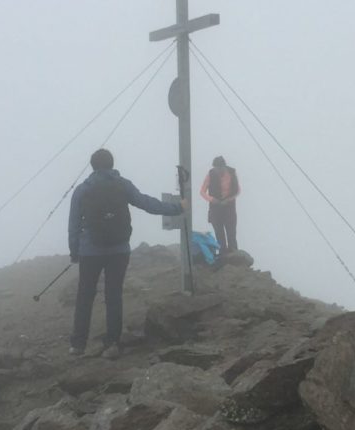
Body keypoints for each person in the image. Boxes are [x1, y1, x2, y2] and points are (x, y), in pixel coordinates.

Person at [67, 148, 185, 359]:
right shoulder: (123, 185)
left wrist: (74, 252)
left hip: (90, 252)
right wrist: (177, 208)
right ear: (112, 165)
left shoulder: (82, 190)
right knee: (114, 296)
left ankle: (78, 344)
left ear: (92, 166)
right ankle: (112, 343)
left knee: (85, 296)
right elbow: (147, 203)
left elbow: (73, 225)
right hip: (119, 250)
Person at [200, 155, 240, 254]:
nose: (218, 171)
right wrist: (212, 199)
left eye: (220, 168)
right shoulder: (211, 174)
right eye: (216, 168)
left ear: (224, 166)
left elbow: (238, 190)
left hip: (229, 206)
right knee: (219, 231)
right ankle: (223, 255)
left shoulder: (232, 173)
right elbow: (202, 192)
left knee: (231, 232)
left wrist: (229, 199)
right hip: (215, 207)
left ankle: (234, 254)